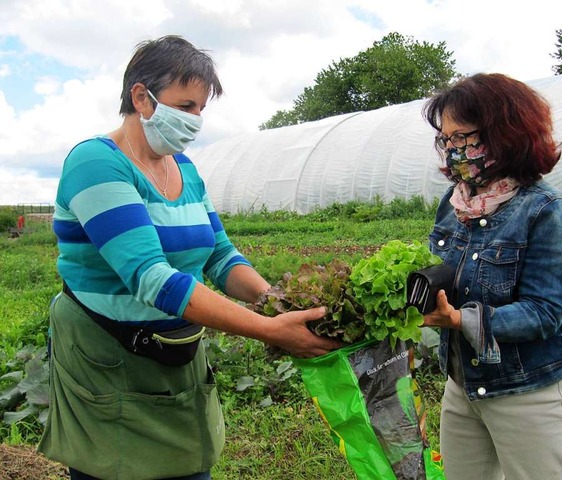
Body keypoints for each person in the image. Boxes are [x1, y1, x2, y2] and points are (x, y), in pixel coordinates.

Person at [38, 35, 340, 480]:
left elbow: (220, 255)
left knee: (189, 470)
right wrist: (267, 330)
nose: (196, 119)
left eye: (201, 108)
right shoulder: (96, 164)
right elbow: (150, 277)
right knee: (112, 468)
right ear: (142, 97)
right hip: (105, 357)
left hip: (175, 353)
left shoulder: (185, 168)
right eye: (185, 105)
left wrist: (277, 301)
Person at [421, 73, 562, 480]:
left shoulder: (547, 210)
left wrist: (462, 320)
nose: (453, 149)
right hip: (462, 388)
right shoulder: (455, 203)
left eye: (463, 136)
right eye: (446, 139)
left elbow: (545, 311)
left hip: (531, 392)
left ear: (505, 134)